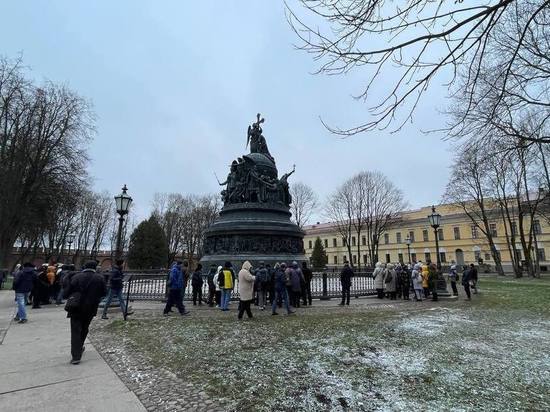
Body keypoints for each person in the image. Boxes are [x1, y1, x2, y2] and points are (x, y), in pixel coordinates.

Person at [63, 261, 107, 365]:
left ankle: (76, 356)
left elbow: (66, 292)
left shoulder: (77, 277)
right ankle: (80, 346)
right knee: (84, 328)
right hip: (91, 308)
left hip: (76, 307)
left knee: (75, 331)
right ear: (95, 268)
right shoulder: (99, 278)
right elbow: (104, 292)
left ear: (85, 267)